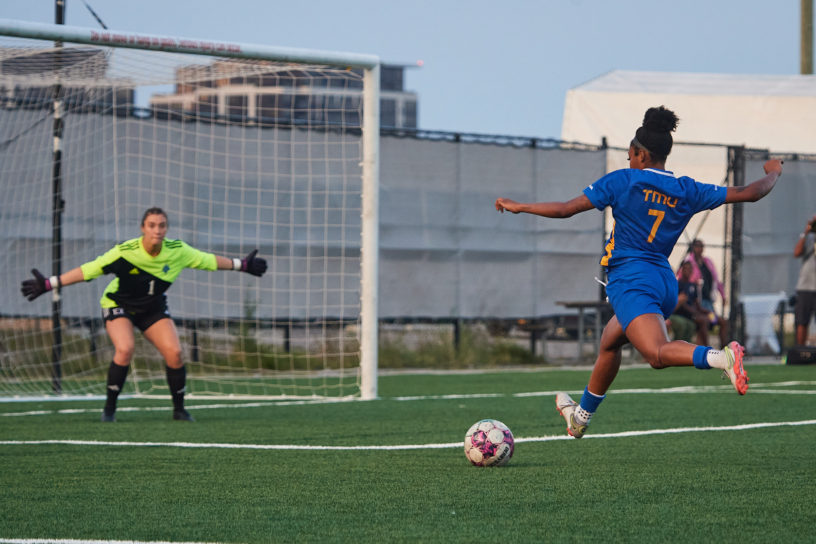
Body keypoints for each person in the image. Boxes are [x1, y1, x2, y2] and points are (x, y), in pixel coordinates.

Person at [495, 106, 783, 438]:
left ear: (640, 154)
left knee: (656, 354)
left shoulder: (623, 181)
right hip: (663, 281)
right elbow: (752, 192)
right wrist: (774, 172)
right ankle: (580, 418)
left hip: (632, 280)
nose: (629, 160)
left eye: (630, 155)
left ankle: (722, 358)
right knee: (610, 342)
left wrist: (520, 206)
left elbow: (564, 210)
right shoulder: (687, 188)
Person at [20, 207, 267, 422]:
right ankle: (109, 409)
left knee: (175, 353)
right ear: (143, 228)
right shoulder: (125, 252)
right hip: (118, 304)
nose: (157, 230)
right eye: (151, 225)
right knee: (125, 348)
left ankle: (179, 410)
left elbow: (209, 260)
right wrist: (50, 283)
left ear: (166, 228)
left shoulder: (178, 250)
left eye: (162, 225)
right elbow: (89, 270)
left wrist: (242, 265)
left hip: (152, 308)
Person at [682, 238, 728, 346]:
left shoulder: (707, 262)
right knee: (704, 322)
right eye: (697, 246)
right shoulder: (688, 262)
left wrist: (723, 295)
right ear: (693, 247)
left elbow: (716, 280)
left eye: (701, 246)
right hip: (698, 304)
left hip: (707, 304)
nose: (699, 249)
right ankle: (706, 351)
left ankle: (724, 349)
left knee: (719, 321)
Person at [672, 260, 711, 345]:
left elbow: (697, 304)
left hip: (692, 314)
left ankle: (700, 346)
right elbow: (681, 303)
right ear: (682, 270)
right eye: (686, 268)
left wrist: (706, 311)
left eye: (690, 269)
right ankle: (706, 346)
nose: (688, 271)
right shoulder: (678, 284)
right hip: (681, 313)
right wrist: (694, 312)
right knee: (702, 321)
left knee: (706, 319)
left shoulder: (693, 285)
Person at [792, 215, 816, 346]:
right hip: (805, 287)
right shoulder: (808, 238)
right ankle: (801, 351)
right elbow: (797, 253)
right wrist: (806, 232)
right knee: (802, 321)